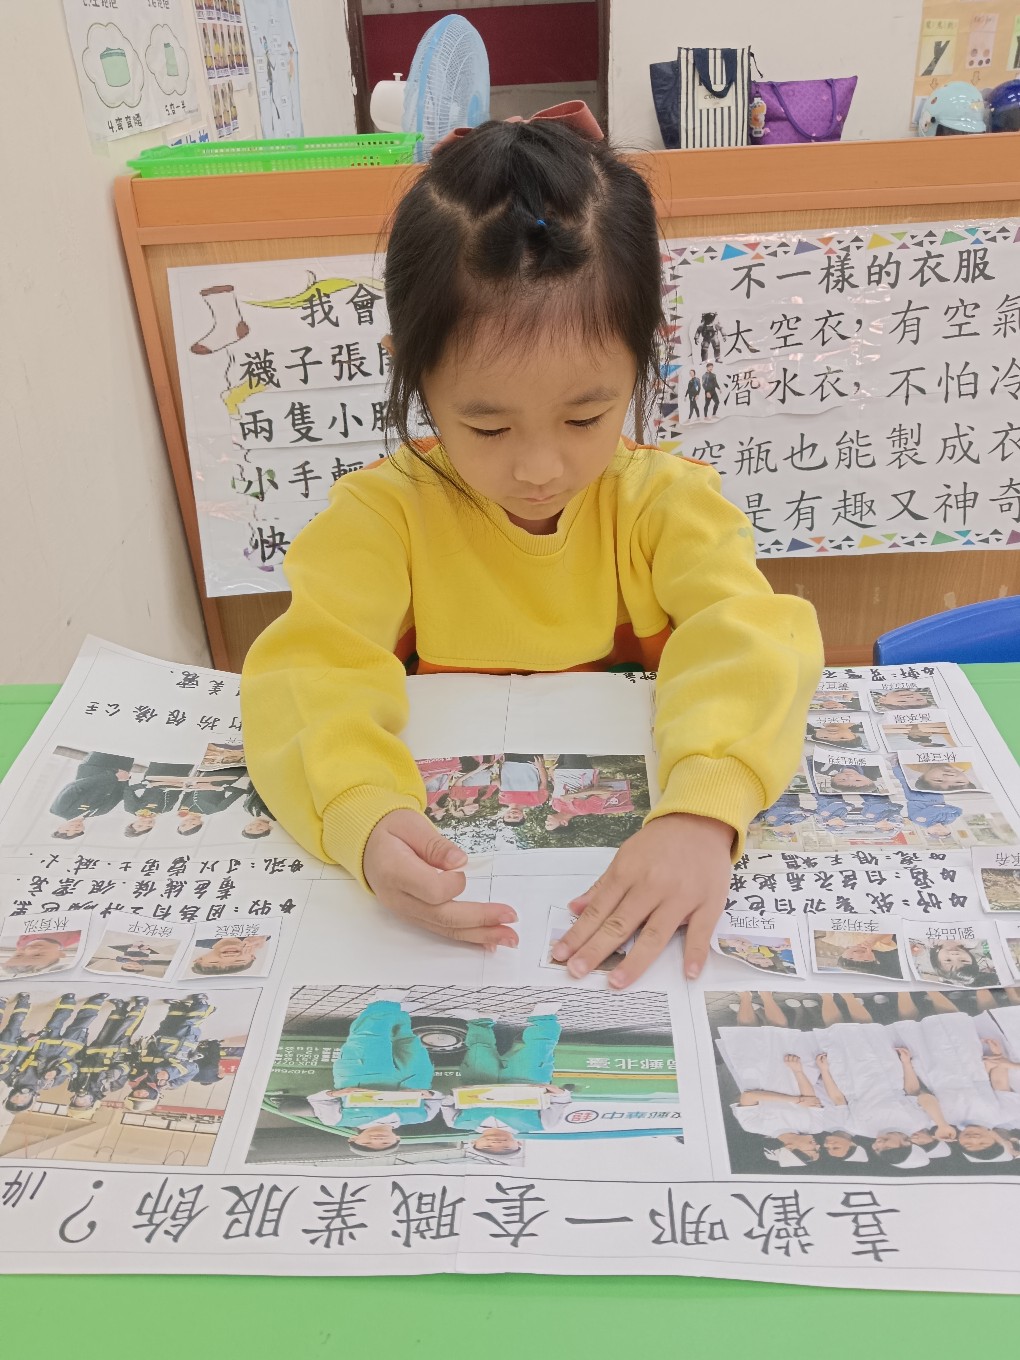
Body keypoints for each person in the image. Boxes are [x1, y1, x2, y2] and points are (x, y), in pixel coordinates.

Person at [239, 108, 822, 989]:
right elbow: (308, 671)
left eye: (586, 416)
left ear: (644, 357)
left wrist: (705, 810)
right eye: (487, 425)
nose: (540, 469)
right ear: (412, 372)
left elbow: (746, 639)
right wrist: (359, 808)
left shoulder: (665, 504)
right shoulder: (381, 516)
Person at [447, 1009, 570, 1145]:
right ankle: (544, 1018)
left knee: (478, 1049)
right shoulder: (542, 1124)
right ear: (518, 1144)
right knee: (539, 1048)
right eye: (506, 1148)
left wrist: (455, 1094)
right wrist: (559, 1093)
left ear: (474, 1143)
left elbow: (446, 1102)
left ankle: (480, 1022)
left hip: (479, 1080)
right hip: (526, 1079)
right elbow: (560, 1102)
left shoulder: (457, 1122)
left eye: (487, 1147)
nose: (496, 1144)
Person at [4, 992, 108, 1112]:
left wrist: (28, 1043)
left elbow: (19, 1057)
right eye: (22, 1100)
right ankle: (96, 1001)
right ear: (30, 1100)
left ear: (10, 1096)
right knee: (81, 1024)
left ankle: (67, 1001)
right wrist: (58, 1071)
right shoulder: (51, 1083)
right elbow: (73, 1067)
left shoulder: (11, 1078)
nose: (20, 1096)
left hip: (44, 1046)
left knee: (56, 1021)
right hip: (67, 1050)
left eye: (14, 1098)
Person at [49, 752, 135, 839]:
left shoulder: (60, 810)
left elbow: (75, 787)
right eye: (77, 831)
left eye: (67, 830)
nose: (74, 828)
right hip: (123, 768)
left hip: (97, 765)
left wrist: (113, 777)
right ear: (83, 829)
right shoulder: (101, 812)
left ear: (60, 827)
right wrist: (125, 778)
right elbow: (119, 794)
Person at [544, 758, 635, 832]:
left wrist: (551, 774)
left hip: (560, 771)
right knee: (572, 744)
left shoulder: (556, 806)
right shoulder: (583, 809)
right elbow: (607, 791)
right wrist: (574, 795)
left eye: (546, 824)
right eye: (550, 824)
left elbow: (558, 787)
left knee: (563, 744)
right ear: (564, 823)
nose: (546, 821)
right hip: (578, 769)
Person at [0, 931, 81, 978]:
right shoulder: (76, 935)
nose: (29, 950)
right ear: (60, 954)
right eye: (38, 955)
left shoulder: (21, 944)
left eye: (19, 956)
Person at [497, 755, 549, 825]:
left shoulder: (502, 799)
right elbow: (544, 782)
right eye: (516, 817)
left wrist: (501, 764)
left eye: (508, 816)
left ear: (503, 815)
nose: (512, 814)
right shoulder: (538, 801)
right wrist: (540, 767)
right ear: (524, 816)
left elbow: (502, 779)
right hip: (530, 763)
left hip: (509, 761)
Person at [190, 934, 269, 976]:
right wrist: (263, 932)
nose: (228, 957)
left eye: (215, 962)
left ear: (199, 960)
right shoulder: (259, 938)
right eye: (239, 961)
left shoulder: (194, 938)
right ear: (252, 957)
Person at [911, 765, 978, 793]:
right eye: (959, 782)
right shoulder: (968, 765)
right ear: (969, 780)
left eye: (938, 780)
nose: (950, 776)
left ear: (922, 776)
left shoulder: (914, 764)